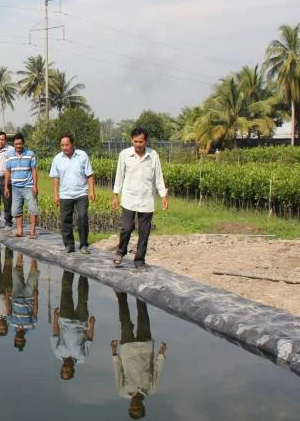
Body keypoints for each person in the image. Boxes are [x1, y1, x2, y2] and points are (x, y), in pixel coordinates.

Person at [111, 127, 169, 269]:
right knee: (127, 227)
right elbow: (119, 176)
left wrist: (163, 196)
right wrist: (115, 195)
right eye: (135, 141)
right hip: (129, 198)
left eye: (141, 142)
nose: (138, 144)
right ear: (131, 140)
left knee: (144, 231)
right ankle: (120, 251)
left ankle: (139, 260)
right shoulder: (124, 155)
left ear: (146, 141)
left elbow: (158, 177)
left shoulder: (153, 155)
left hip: (147, 199)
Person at [111, 292, 167, 419]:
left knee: (125, 323)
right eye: (138, 408)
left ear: (130, 407)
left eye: (133, 408)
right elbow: (157, 371)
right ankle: (140, 295)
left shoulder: (123, 392)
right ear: (143, 406)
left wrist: (114, 353)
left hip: (127, 349)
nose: (135, 406)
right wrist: (161, 354)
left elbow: (118, 372)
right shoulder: (151, 389)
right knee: (143, 318)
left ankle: (121, 296)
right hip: (145, 348)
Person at [50, 134, 96, 254]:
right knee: (65, 220)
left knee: (82, 218)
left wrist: (92, 191)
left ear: (73, 144)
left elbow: (90, 175)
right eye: (62, 145)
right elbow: (55, 178)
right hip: (65, 195)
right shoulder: (57, 159)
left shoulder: (82, 156)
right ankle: (69, 245)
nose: (64, 147)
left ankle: (83, 245)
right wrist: (55, 195)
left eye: (67, 145)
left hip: (81, 194)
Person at [51, 271, 95, 380]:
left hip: (65, 319)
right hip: (81, 322)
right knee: (83, 298)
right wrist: (92, 325)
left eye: (63, 370)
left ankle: (68, 269)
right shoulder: (82, 357)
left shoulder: (57, 353)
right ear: (73, 370)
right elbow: (89, 339)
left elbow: (56, 334)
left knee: (66, 293)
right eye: (67, 371)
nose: (65, 368)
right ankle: (83, 273)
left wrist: (55, 318)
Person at [4, 133, 39, 239]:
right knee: (15, 210)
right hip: (15, 187)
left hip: (28, 186)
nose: (18, 146)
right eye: (16, 144)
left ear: (23, 143)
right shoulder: (9, 155)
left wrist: (35, 185)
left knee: (33, 209)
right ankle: (20, 230)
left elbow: (34, 170)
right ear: (13, 144)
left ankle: (32, 231)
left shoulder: (30, 154)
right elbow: (8, 171)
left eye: (20, 144)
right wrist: (6, 186)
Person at [6, 252, 38, 351]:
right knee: (33, 274)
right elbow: (34, 312)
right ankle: (34, 254)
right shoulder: (31, 326)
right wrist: (36, 299)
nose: (19, 338)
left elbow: (8, 309)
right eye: (21, 340)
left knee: (17, 272)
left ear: (14, 339)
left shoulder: (11, 323)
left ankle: (20, 252)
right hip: (29, 297)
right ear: (24, 340)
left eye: (17, 340)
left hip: (16, 295)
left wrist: (7, 297)